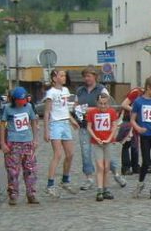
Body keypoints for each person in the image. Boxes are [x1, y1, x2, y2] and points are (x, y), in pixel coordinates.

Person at [74, 65, 127, 191]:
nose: (87, 79)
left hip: (101, 127)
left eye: (89, 76)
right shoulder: (80, 91)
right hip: (84, 124)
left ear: (95, 77)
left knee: (106, 153)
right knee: (85, 152)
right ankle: (89, 178)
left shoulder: (101, 89)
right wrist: (76, 114)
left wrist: (88, 109)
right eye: (85, 76)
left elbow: (107, 106)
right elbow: (75, 106)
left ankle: (115, 174)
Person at [0, 87, 39, 205]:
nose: (21, 103)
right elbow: (2, 125)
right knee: (12, 170)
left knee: (30, 169)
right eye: (19, 101)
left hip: (27, 141)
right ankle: (13, 194)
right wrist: (2, 142)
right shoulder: (7, 108)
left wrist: (35, 139)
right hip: (13, 141)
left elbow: (33, 121)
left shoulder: (29, 107)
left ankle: (31, 193)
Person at [43, 69, 79, 197]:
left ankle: (65, 180)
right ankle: (50, 184)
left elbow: (65, 109)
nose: (64, 78)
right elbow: (47, 112)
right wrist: (46, 130)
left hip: (65, 123)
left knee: (70, 154)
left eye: (64, 75)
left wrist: (72, 120)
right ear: (54, 78)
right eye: (61, 75)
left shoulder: (65, 91)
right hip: (55, 124)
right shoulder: (50, 93)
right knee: (58, 154)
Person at [130, 76, 151, 199]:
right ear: (148, 88)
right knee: (146, 161)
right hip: (145, 135)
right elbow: (132, 119)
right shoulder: (139, 102)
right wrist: (138, 128)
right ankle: (140, 183)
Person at [86, 90, 119, 201]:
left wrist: (110, 138)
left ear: (108, 103)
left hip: (108, 143)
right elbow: (89, 127)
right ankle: (99, 189)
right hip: (97, 143)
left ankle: (106, 188)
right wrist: (96, 138)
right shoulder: (92, 113)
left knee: (106, 167)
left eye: (105, 104)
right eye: (101, 103)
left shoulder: (112, 112)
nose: (103, 106)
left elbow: (114, 126)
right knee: (100, 166)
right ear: (97, 103)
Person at [118, 85, 143, 175]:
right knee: (127, 144)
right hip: (128, 120)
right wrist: (135, 111)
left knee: (135, 144)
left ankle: (135, 166)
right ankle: (125, 167)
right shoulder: (136, 92)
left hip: (136, 121)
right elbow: (124, 104)